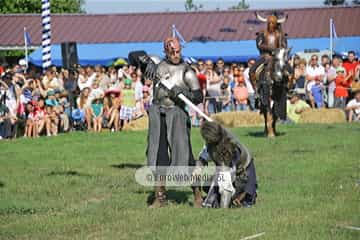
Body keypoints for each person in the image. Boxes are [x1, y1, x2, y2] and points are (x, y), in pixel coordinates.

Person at [129, 37, 204, 208]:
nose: (175, 55)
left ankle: (197, 195)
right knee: (158, 154)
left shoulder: (187, 72)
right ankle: (159, 197)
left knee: (185, 155)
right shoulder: (157, 63)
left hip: (177, 113)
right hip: (157, 112)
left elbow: (199, 97)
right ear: (165, 51)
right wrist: (145, 62)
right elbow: (132, 55)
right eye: (172, 52)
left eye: (178, 51)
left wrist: (185, 93)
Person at [196, 121, 257, 208]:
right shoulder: (213, 141)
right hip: (228, 174)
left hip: (243, 176)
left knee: (231, 197)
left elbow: (226, 184)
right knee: (207, 184)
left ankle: (240, 196)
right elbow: (204, 155)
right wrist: (198, 168)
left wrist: (223, 209)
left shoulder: (230, 148)